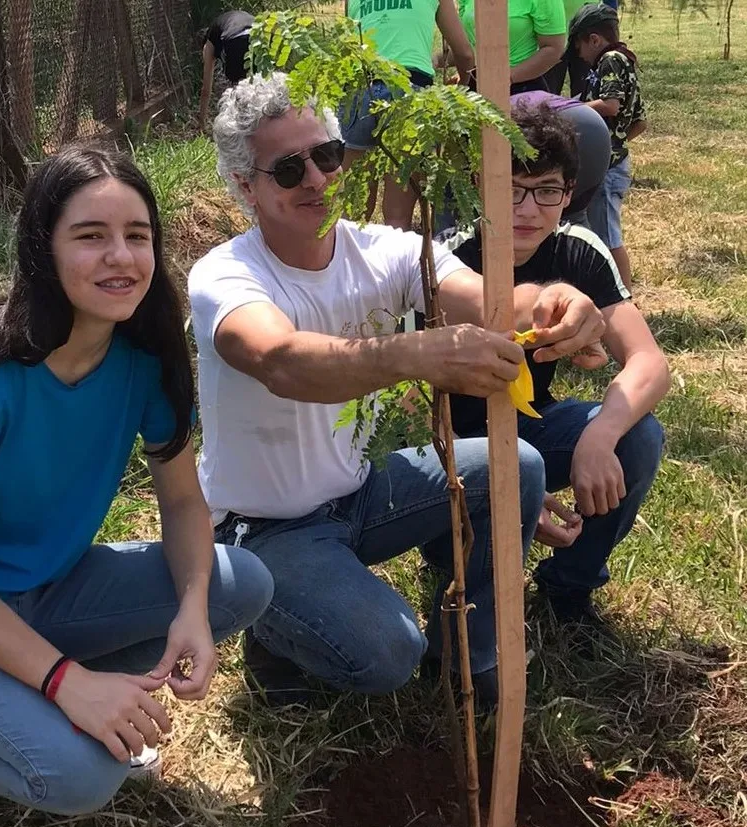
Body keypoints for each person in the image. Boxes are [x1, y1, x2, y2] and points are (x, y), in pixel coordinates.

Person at [0, 143, 274, 827]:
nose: (121, 257)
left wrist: (193, 613)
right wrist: (66, 683)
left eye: (138, 236)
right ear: (42, 248)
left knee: (239, 583)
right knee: (78, 777)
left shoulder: (147, 362)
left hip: (46, 590)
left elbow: (184, 506)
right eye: (91, 236)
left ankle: (48, 695)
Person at [190, 73, 606, 708]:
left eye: (327, 155)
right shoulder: (226, 274)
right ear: (246, 186)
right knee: (387, 653)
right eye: (287, 169)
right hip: (263, 527)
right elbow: (282, 360)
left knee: (514, 465)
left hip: (359, 495)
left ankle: (472, 648)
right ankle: (269, 623)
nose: (316, 179)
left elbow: (493, 301)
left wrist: (555, 301)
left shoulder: (383, 251)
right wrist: (419, 354)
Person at [443, 103, 668, 626]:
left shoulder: (579, 250)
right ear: (480, 186)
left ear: (569, 194)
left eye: (546, 190)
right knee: (475, 612)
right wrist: (516, 486)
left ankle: (570, 584)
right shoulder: (447, 261)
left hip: (532, 424)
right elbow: (412, 407)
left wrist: (599, 436)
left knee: (639, 436)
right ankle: (465, 597)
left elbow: (649, 363)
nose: (526, 208)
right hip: (450, 448)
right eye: (510, 187)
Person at [341, 0, 475, 229]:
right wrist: (463, 85)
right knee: (397, 215)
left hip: (359, 88)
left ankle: (347, 261)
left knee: (353, 206)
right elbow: (464, 53)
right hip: (409, 89)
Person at [572, 3, 646, 290]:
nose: (578, 54)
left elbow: (610, 105)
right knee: (601, 231)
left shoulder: (610, 60)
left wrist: (572, 107)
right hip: (615, 162)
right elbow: (640, 123)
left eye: (579, 45)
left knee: (608, 236)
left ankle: (623, 296)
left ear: (594, 39)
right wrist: (617, 144)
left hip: (608, 168)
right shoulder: (626, 60)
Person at [512, 89, 610, 226]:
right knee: (575, 214)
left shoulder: (484, 114)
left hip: (566, 121)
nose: (529, 211)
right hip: (594, 126)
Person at [457, 0, 566, 94]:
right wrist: (443, 59)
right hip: (475, 83)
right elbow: (467, 42)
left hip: (521, 87)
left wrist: (508, 77)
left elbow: (553, 48)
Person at [198, 9, 255, 132]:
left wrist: (202, 125)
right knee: (259, 83)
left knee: (237, 87)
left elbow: (206, 90)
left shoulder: (210, 41)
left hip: (235, 39)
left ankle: (242, 128)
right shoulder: (222, 23)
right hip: (260, 35)